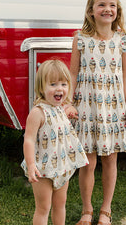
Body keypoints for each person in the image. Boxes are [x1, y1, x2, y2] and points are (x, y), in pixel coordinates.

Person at [68, 0, 126, 225]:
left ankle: (106, 211)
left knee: (110, 159)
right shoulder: (80, 39)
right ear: (91, 11)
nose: (107, 9)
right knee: (87, 162)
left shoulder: (123, 40)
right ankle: (87, 210)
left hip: (114, 107)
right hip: (87, 107)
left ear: (117, 10)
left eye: (112, 5)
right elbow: (72, 73)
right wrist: (69, 102)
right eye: (101, 5)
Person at [21, 59, 89, 225]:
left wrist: (69, 111)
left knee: (60, 205)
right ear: (41, 88)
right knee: (43, 208)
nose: (59, 88)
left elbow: (63, 116)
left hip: (62, 166)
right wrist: (31, 165)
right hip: (42, 169)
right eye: (53, 84)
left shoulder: (59, 108)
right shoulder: (38, 112)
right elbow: (28, 140)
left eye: (64, 84)